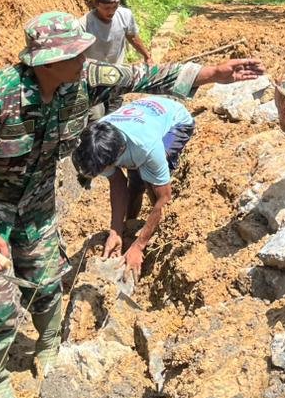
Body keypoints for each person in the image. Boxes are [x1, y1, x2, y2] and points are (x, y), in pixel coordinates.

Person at [0, 10, 262, 398]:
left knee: (46, 279)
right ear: (47, 63)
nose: (85, 60)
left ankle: (48, 346)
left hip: (37, 203)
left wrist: (211, 73)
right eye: (76, 55)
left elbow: (144, 77)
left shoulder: (83, 79)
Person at [74, 96, 195, 277]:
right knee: (136, 184)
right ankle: (130, 226)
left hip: (175, 121)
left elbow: (165, 198)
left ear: (119, 153)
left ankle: (150, 236)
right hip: (143, 118)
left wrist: (139, 245)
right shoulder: (95, 143)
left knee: (154, 191)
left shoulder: (147, 148)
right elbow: (118, 183)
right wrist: (116, 231)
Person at [84, 0, 152, 66]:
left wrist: (147, 56)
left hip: (117, 71)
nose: (111, 11)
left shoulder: (125, 15)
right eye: (107, 8)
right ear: (96, 3)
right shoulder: (84, 25)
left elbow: (133, 37)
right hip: (94, 73)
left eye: (115, 6)